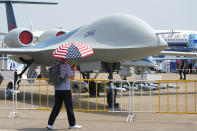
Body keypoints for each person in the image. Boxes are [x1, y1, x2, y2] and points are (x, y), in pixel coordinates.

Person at [47, 59, 81, 130]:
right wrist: (74, 70)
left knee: (56, 107)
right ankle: (72, 124)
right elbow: (72, 77)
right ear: (66, 59)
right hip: (65, 89)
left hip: (57, 89)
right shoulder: (66, 66)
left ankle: (50, 124)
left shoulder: (55, 66)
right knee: (69, 107)